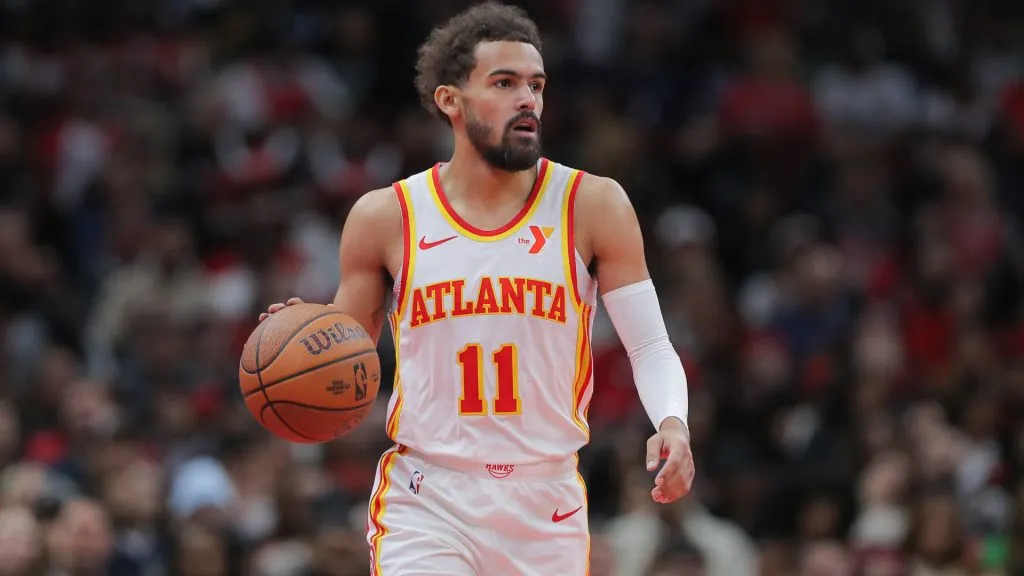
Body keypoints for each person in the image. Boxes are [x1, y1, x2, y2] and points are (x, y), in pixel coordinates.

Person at [260, 3, 695, 574]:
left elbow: (650, 345)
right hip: (429, 496)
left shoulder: (593, 203)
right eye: (505, 82)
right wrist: (309, 340)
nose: (527, 100)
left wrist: (672, 421)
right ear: (451, 100)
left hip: (547, 500)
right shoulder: (386, 217)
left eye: (536, 85)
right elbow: (348, 357)